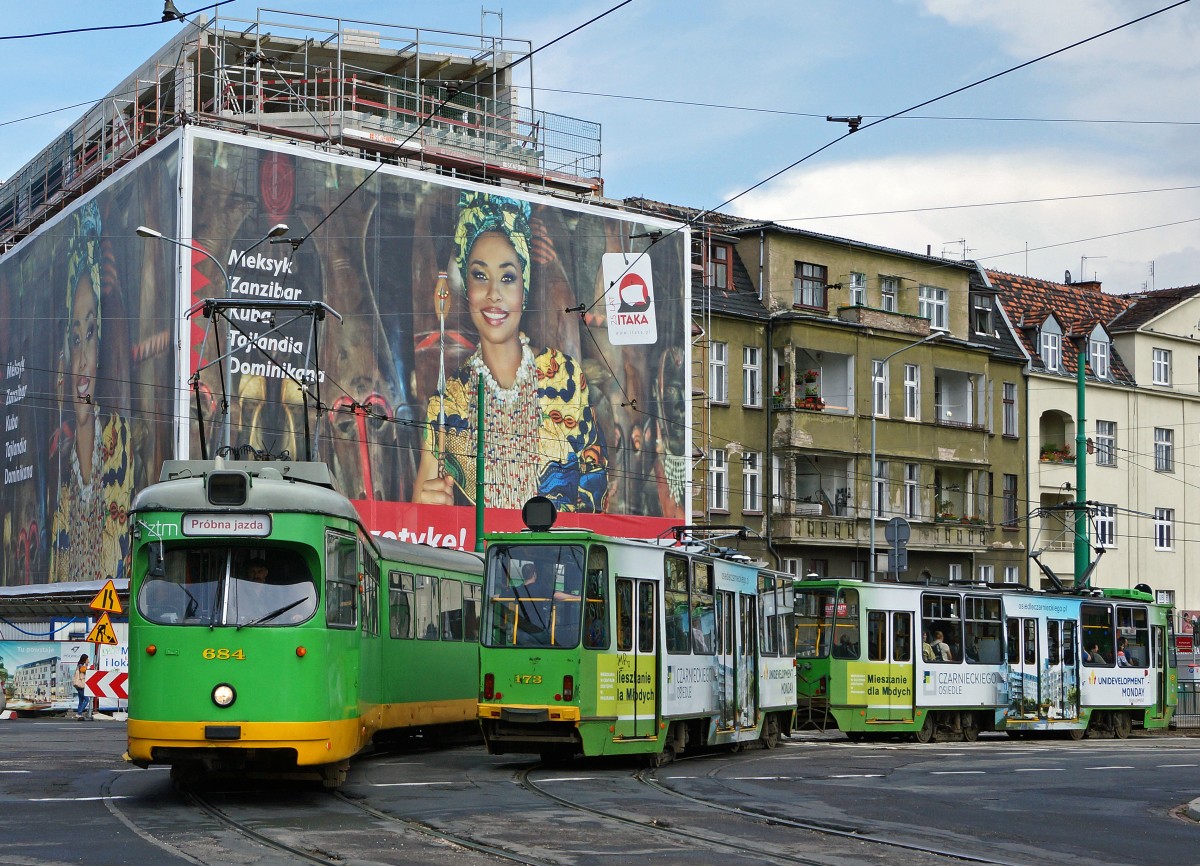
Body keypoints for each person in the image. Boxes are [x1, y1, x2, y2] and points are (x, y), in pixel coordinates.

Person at [413, 191, 607, 512]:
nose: (493, 295)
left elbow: (595, 492)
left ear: (524, 288)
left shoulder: (565, 375)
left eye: (507, 277)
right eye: (479, 276)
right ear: (467, 289)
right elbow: (420, 522)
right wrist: (427, 507)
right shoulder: (448, 403)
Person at [50, 200, 133, 583]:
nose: (83, 359)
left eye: (91, 334)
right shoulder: (62, 467)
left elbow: (124, 556)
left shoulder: (120, 440)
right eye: (75, 339)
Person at [72, 654, 90, 721]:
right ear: (85, 659)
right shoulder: (81, 666)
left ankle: (79, 713)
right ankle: (79, 713)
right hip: (81, 685)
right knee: (87, 700)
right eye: (87, 659)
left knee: (81, 701)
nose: (88, 660)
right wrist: (88, 666)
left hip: (78, 685)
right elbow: (83, 670)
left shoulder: (79, 665)